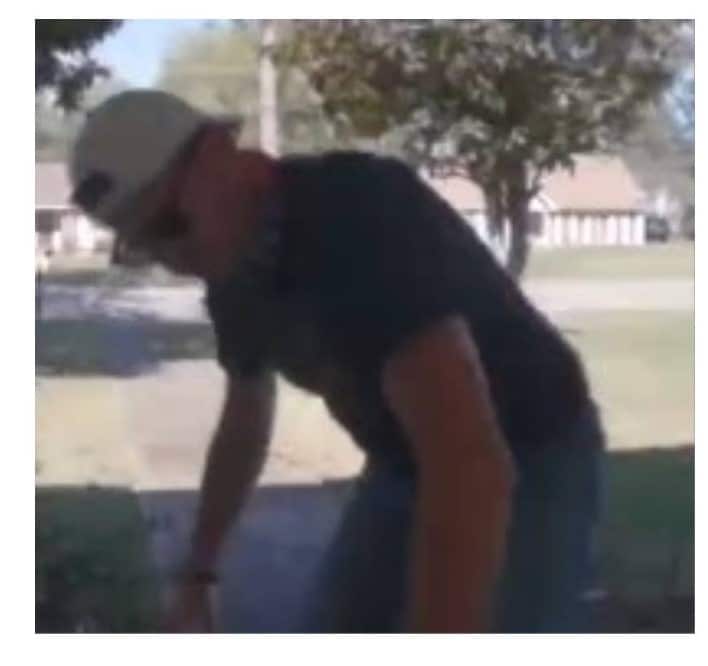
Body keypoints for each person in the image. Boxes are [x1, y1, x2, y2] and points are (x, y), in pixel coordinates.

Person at [70, 90, 605, 634]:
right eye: (143, 246)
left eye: (168, 226)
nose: (173, 260)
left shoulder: (358, 213)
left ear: (216, 154)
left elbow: (470, 464)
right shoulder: (232, 270)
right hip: (400, 461)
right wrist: (198, 576)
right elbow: (245, 417)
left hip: (536, 447)